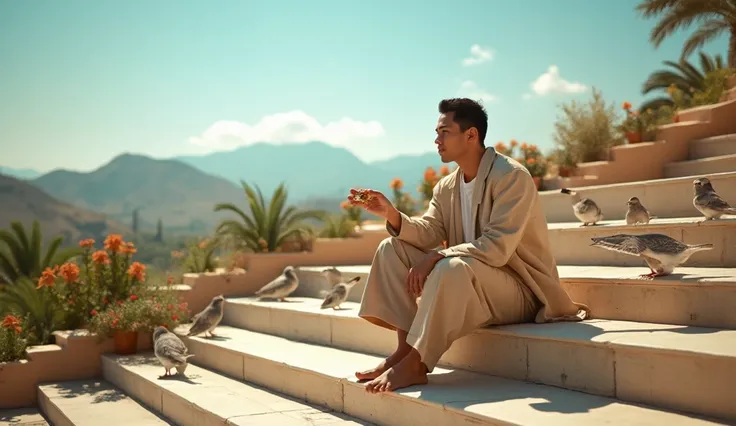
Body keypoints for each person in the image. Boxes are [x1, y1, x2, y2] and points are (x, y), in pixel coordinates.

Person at [346, 98, 589, 394]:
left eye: (444, 132)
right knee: (391, 248)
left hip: (521, 289)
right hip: (472, 279)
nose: (437, 139)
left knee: (450, 266)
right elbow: (429, 231)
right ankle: (403, 350)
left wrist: (437, 256)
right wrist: (391, 214)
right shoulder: (446, 186)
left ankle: (417, 363)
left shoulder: (512, 177)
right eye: (437, 132)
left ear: (471, 135)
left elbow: (497, 247)